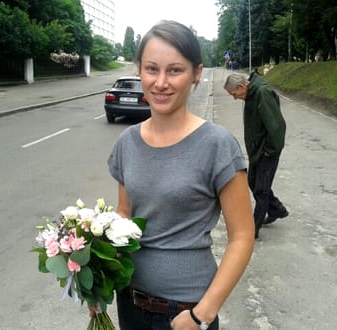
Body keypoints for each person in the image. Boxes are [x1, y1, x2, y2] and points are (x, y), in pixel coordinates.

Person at [107, 21, 255, 330]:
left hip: (184, 313)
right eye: (151, 69)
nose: (161, 82)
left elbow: (242, 237)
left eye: (174, 70)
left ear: (196, 73)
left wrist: (203, 314)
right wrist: (95, 269)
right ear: (140, 71)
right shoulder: (127, 143)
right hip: (129, 302)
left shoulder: (217, 145)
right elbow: (124, 215)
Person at [223, 72, 289, 239]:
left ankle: (253, 229)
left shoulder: (262, 93)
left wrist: (271, 150)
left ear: (241, 86)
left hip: (266, 151)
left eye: (234, 94)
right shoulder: (251, 93)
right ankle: (277, 209)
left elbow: (277, 125)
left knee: (261, 190)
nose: (234, 98)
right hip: (257, 150)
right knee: (253, 182)